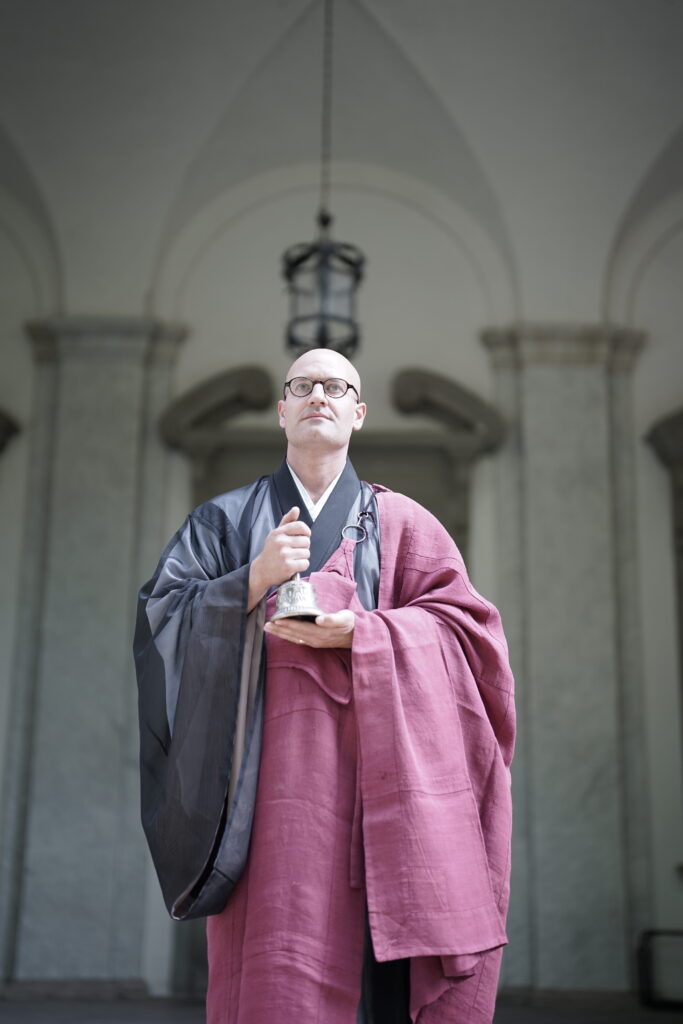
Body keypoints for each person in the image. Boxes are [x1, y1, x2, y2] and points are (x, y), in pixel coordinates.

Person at [134, 348, 515, 1024]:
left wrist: (365, 635)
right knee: (277, 975)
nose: (319, 396)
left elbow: (470, 638)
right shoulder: (222, 523)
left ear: (358, 413)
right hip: (269, 806)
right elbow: (160, 621)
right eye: (302, 386)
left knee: (380, 992)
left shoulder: (405, 526)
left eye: (336, 386)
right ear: (281, 410)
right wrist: (249, 583)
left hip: (383, 809)